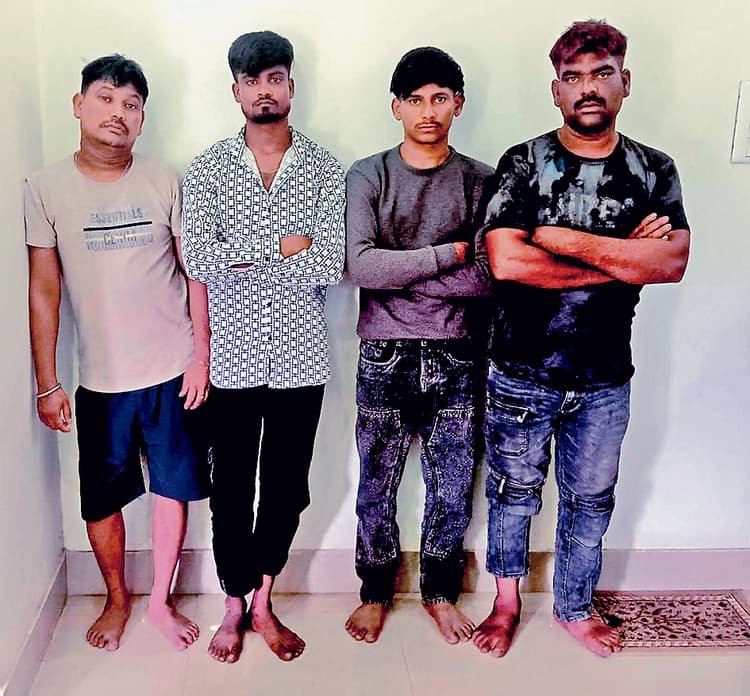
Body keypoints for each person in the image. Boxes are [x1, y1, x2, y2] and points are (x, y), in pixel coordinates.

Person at [474, 19, 690, 658]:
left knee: (591, 501)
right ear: (556, 90)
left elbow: (671, 263)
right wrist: (624, 257)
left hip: (604, 377)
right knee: (512, 495)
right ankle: (505, 604)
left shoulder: (654, 170)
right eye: (573, 77)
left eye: (602, 73)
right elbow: (507, 261)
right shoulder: (524, 162)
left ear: (625, 81)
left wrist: (564, 240)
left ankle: (573, 607)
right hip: (521, 370)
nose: (588, 87)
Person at [26, 55, 211, 652]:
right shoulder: (45, 188)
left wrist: (201, 356)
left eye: (132, 105)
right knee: (102, 498)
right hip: (102, 380)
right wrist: (47, 382)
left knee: (173, 487)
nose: (119, 113)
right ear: (78, 105)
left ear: (142, 119)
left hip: (173, 370)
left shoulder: (165, 180)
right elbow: (44, 289)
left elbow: (195, 273)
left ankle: (159, 602)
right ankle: (117, 597)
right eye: (106, 99)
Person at [181, 31, 345, 664]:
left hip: (301, 357)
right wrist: (282, 246)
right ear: (236, 91)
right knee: (230, 488)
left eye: (275, 78)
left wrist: (243, 256)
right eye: (252, 81)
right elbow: (199, 259)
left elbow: (330, 265)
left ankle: (264, 600)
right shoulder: (208, 169)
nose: (264, 91)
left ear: (291, 86)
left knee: (285, 487)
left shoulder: (325, 169)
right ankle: (232, 601)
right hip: (232, 360)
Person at [345, 47, 493, 645]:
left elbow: (489, 276)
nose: (427, 111)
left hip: (459, 350)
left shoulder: (482, 180)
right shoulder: (369, 174)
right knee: (375, 482)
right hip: (384, 350)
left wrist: (401, 271)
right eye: (414, 100)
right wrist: (445, 254)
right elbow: (360, 266)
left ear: (458, 104)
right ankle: (375, 591)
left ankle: (439, 592)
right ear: (396, 108)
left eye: (439, 98)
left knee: (452, 484)